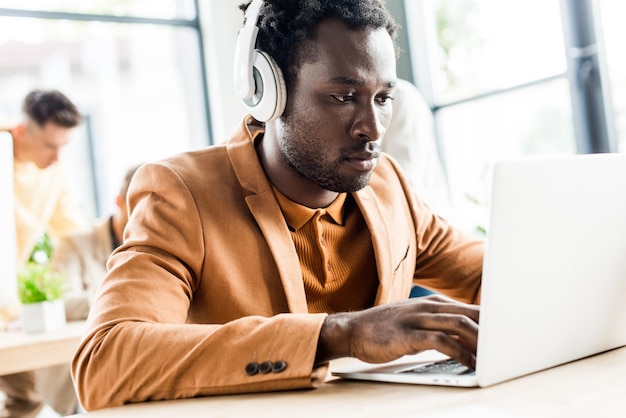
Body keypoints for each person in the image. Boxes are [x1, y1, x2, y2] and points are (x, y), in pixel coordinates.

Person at [72, 0, 483, 411]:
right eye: (343, 97)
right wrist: (340, 335)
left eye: (382, 98)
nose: (372, 128)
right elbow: (104, 361)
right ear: (268, 92)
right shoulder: (182, 194)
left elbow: (496, 275)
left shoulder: (388, 184)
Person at [28, 165, 140, 417]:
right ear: (119, 201)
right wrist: (128, 298)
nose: (145, 216)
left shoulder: (160, 244)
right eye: (137, 206)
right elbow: (62, 301)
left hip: (135, 366)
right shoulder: (75, 243)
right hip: (82, 376)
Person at [1, 89, 84, 418]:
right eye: (50, 146)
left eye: (63, 147)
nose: (57, 157)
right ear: (21, 131)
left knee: (28, 396)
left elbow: (71, 231)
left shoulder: (53, 172)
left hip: (7, 312)